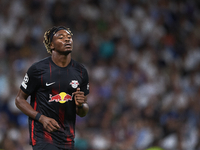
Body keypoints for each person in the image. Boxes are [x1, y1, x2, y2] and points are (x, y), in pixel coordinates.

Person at [15, 26, 90, 150]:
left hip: (67, 138)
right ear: (51, 45)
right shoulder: (38, 69)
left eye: (69, 38)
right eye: (61, 37)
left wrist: (81, 105)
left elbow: (82, 112)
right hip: (42, 135)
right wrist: (41, 118)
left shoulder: (81, 71)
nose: (67, 40)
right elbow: (19, 100)